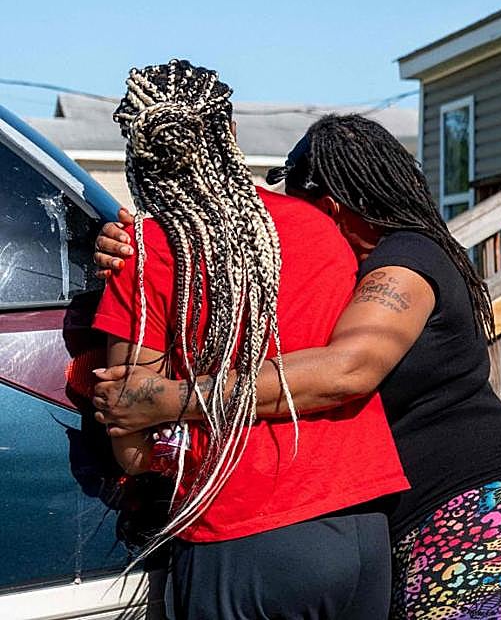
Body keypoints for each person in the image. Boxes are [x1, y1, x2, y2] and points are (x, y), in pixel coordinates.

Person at [95, 113, 501, 620]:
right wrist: (130, 244)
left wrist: (164, 400)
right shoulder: (353, 264)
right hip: (395, 522)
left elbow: (347, 370)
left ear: (331, 208)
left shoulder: (406, 262)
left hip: (482, 505)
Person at [92, 63, 410, 620]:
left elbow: (135, 448)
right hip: (359, 527)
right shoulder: (321, 229)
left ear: (139, 157)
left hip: (239, 533)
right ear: (231, 135)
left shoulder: (145, 253)